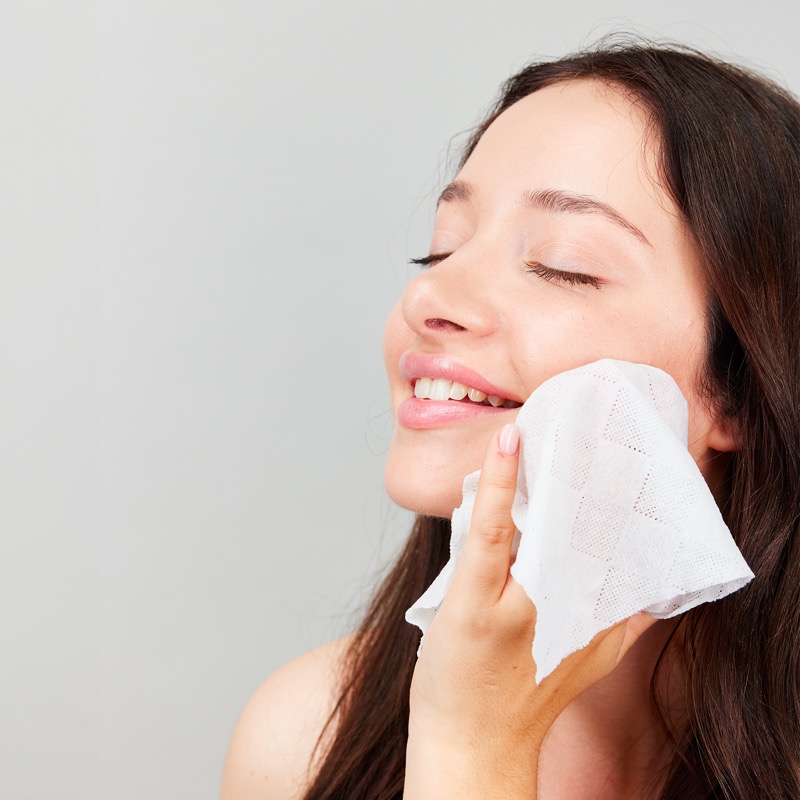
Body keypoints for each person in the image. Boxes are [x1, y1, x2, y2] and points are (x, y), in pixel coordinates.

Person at [221, 39, 800, 799]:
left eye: (563, 265)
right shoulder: (303, 736)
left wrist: (471, 755)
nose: (430, 300)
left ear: (740, 389)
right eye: (441, 251)